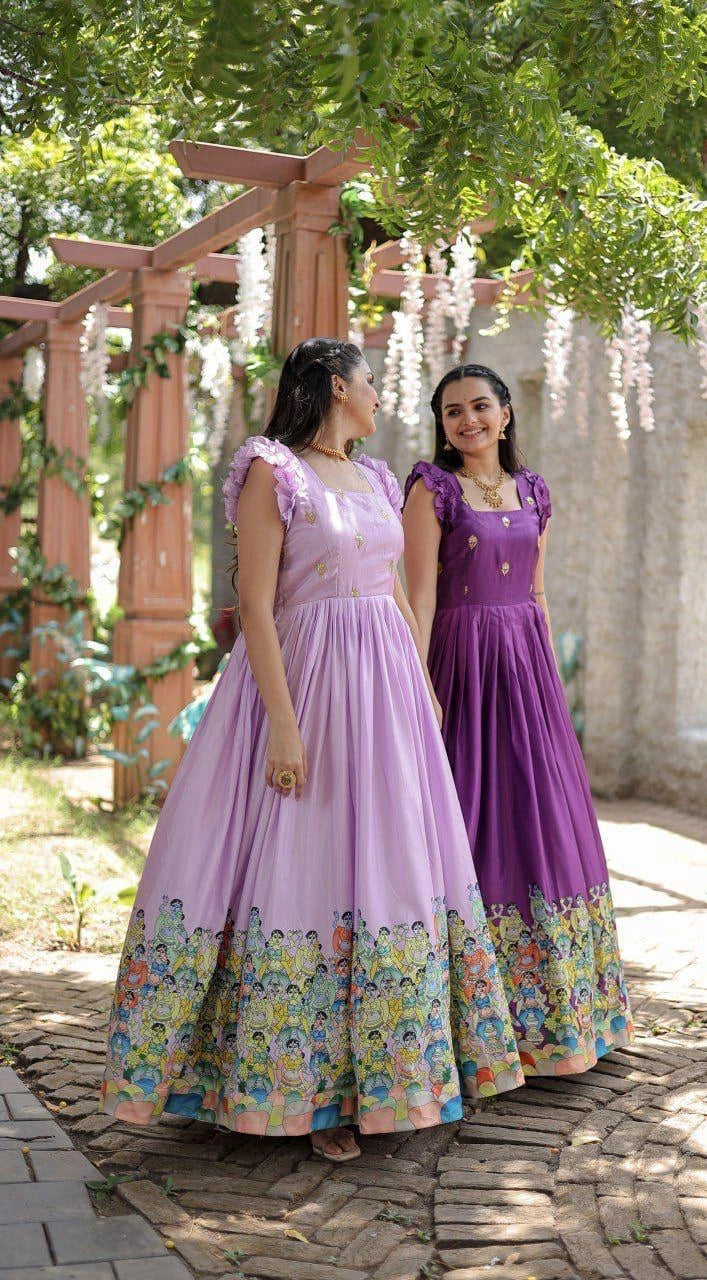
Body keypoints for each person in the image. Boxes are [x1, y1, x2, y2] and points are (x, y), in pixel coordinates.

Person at [100, 340, 523, 1162]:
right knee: (307, 866)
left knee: (389, 869)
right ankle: (304, 1095)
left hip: (385, 700)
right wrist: (284, 725)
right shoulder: (273, 470)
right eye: (370, 382)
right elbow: (255, 608)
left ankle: (382, 1083)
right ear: (337, 386)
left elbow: (393, 591)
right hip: (305, 686)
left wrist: (421, 686)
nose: (380, 396)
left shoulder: (374, 478)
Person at [402, 363, 633, 1078]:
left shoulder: (533, 490)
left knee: (539, 817)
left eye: (479, 406)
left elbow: (535, 592)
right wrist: (420, 683)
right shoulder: (431, 489)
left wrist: (549, 685)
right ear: (442, 426)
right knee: (469, 815)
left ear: (505, 413)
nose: (467, 420)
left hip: (526, 668)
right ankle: (467, 1025)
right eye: (452, 411)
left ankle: (555, 1021)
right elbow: (418, 596)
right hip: (460, 664)